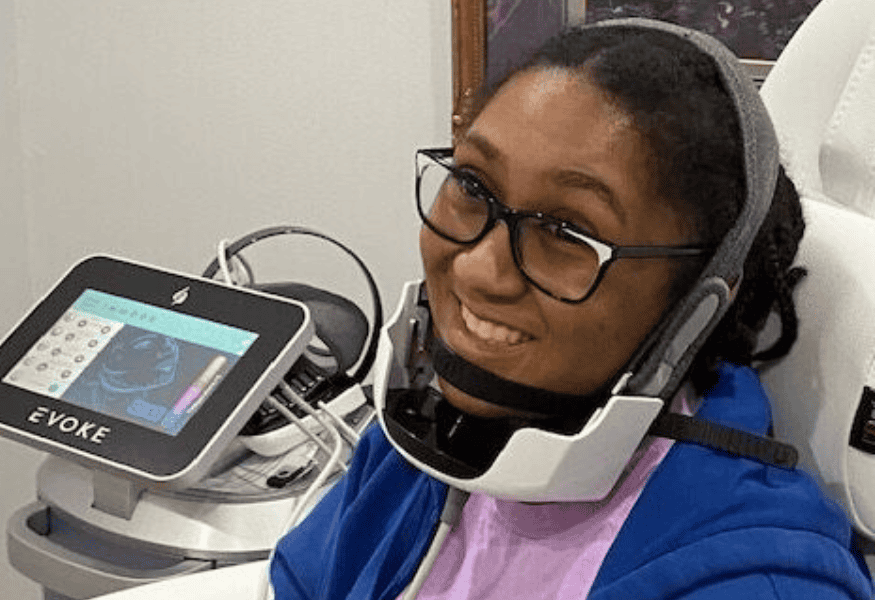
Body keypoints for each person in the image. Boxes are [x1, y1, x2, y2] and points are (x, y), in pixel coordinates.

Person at [268, 18, 875, 600]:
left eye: (565, 230)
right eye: (473, 186)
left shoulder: (754, 583)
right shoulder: (418, 447)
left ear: (693, 306)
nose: (479, 269)